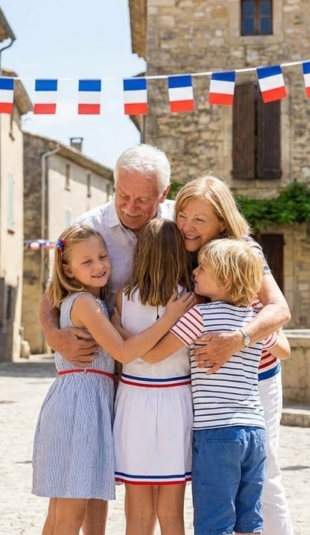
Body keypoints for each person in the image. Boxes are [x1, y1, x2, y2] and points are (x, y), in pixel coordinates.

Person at [38, 144, 174, 534]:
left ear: (162, 195)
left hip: (120, 391)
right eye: (123, 195)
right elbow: (50, 300)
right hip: (87, 389)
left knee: (96, 497)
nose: (130, 206)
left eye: (142, 199)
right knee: (70, 504)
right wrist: (55, 337)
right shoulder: (89, 228)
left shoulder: (179, 223)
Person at [33, 224, 195, 535]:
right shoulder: (87, 304)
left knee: (63, 508)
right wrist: (170, 318)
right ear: (66, 270)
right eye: (87, 262)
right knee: (71, 509)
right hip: (81, 403)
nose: (99, 266)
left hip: (82, 399)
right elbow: (123, 352)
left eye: (102, 257)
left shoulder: (99, 303)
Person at [174, 175, 296, 535]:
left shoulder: (244, 251)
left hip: (255, 377)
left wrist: (238, 339)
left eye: (199, 219)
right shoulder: (177, 246)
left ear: (222, 222)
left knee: (264, 477)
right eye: (183, 214)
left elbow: (279, 310)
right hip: (209, 385)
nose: (187, 225)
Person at [148, 238, 289, 535]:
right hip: (254, 431)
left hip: (216, 432)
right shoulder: (253, 320)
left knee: (215, 521)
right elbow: (284, 350)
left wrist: (121, 329)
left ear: (224, 278)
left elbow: (153, 354)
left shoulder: (200, 316)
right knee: (249, 521)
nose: (194, 272)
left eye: (202, 268)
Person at [111, 219, 195, 535]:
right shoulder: (191, 300)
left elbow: (138, 354)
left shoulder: (122, 298)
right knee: (172, 513)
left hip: (134, 400)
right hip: (176, 400)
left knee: (137, 512)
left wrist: (119, 331)